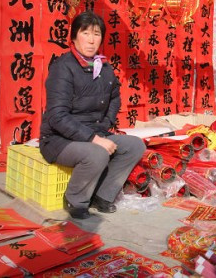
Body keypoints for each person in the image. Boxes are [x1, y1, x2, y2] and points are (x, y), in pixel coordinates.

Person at [40, 12, 145, 219]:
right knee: (97, 153)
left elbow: (115, 97)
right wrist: (94, 139)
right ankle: (75, 199)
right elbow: (57, 116)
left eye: (96, 34)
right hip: (59, 139)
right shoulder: (63, 68)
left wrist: (105, 124)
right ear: (73, 37)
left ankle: (102, 195)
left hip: (94, 132)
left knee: (135, 145)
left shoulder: (103, 67)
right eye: (85, 33)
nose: (91, 39)